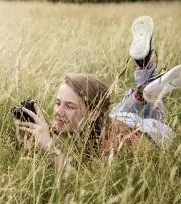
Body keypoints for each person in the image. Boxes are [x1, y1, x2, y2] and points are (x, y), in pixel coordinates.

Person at [14, 16, 180, 161]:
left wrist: (49, 146)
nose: (59, 111)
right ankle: (143, 82)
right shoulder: (86, 123)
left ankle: (144, 86)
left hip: (153, 131)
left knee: (152, 115)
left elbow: (75, 182)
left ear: (93, 113)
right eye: (58, 103)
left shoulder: (115, 146)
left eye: (70, 106)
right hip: (118, 116)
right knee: (125, 109)